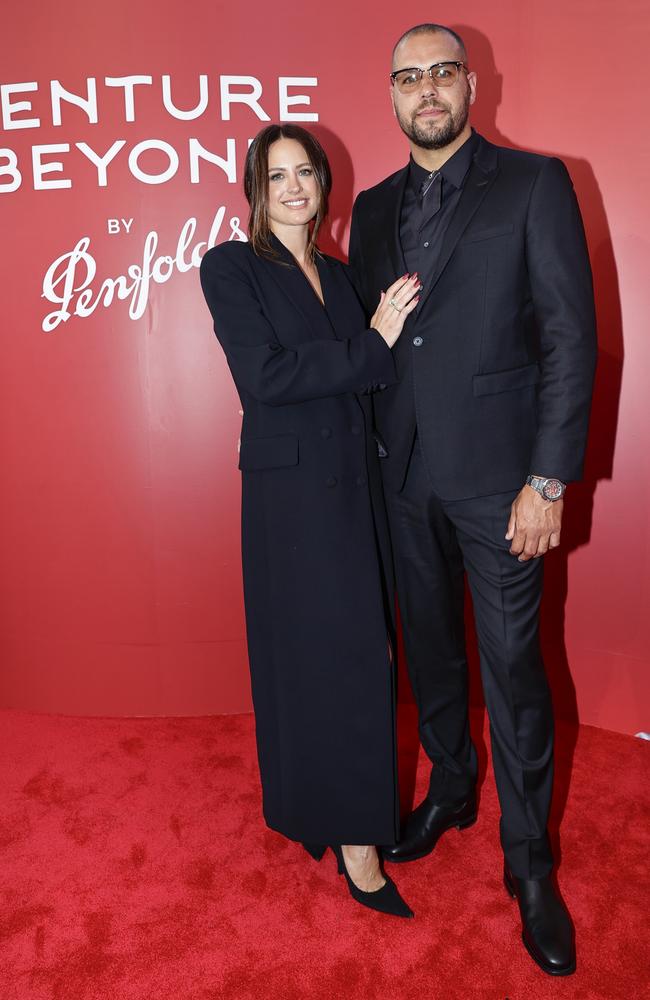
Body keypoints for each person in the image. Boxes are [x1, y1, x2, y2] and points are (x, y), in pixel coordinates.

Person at [349, 23, 597, 974]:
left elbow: (571, 339)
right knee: (433, 660)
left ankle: (531, 866)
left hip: (504, 488)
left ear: (470, 82)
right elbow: (373, 345)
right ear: (395, 93)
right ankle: (452, 788)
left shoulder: (534, 184)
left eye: (440, 73)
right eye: (406, 78)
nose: (425, 92)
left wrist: (547, 481)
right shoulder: (371, 210)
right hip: (403, 479)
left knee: (515, 677)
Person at [200, 124, 420, 917]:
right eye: (276, 175)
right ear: (255, 189)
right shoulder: (230, 266)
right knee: (309, 661)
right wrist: (374, 345)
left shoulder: (340, 272)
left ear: (325, 184)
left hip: (357, 487)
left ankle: (351, 816)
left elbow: (369, 378)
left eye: (305, 173)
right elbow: (265, 376)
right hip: (290, 502)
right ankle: (346, 837)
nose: (294, 188)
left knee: (363, 656)